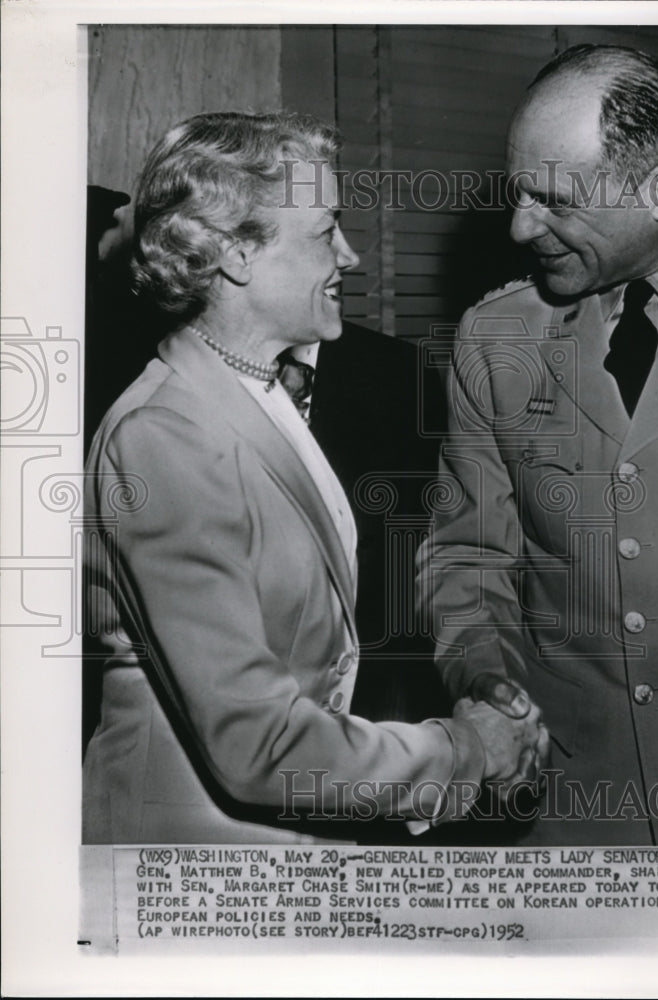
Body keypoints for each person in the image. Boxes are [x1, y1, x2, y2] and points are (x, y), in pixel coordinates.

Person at [82, 110, 547, 845]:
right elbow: (258, 744)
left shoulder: (254, 396)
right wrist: (464, 751)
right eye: (324, 230)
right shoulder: (162, 439)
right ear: (237, 253)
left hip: (290, 841)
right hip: (194, 859)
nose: (351, 255)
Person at [419, 45, 658, 846]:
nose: (521, 226)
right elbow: (467, 556)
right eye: (518, 193)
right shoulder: (497, 335)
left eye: (556, 201)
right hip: (573, 807)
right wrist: (487, 681)